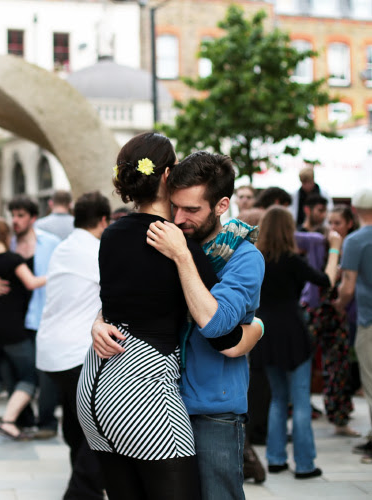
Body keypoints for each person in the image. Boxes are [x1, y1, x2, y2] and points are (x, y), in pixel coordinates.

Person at [79, 138, 263, 500]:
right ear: (167, 178)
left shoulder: (240, 256)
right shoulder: (177, 244)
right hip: (151, 396)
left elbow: (212, 322)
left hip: (196, 405)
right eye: (176, 206)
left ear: (222, 205)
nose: (178, 219)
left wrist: (181, 255)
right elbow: (222, 336)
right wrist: (257, 328)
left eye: (191, 210)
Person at [251, 206, 340, 479]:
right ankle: (304, 464)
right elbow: (326, 280)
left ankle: (276, 459)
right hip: (293, 330)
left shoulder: (255, 259)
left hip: (265, 331)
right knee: (300, 400)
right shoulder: (293, 260)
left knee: (278, 398)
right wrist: (334, 249)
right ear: (289, 230)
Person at [36, 191, 110, 500]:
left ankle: (86, 487)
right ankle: (82, 493)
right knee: (101, 427)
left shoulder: (63, 248)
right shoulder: (96, 251)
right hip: (77, 352)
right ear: (104, 220)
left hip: (51, 350)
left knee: (75, 421)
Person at [0, 217, 46, 440]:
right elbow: (31, 283)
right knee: (30, 375)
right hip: (11, 328)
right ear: (7, 236)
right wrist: (57, 273)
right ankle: (8, 421)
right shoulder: (13, 260)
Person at [9, 195, 61, 438]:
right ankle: (24, 419)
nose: (15, 220)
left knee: (45, 371)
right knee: (19, 370)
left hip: (42, 316)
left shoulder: (50, 243)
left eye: (20, 215)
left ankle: (46, 422)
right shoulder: (7, 243)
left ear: (33, 218)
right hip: (14, 319)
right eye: (13, 215)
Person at [307, 204, 360, 438]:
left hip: (341, 313)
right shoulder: (321, 243)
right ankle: (299, 409)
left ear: (349, 223)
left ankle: (340, 418)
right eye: (330, 222)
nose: (332, 227)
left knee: (339, 367)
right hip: (318, 310)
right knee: (304, 361)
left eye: (337, 223)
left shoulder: (353, 245)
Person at [334, 188, 372, 463]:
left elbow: (347, 287)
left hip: (368, 319)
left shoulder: (356, 240)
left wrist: (338, 304)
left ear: (356, 211)